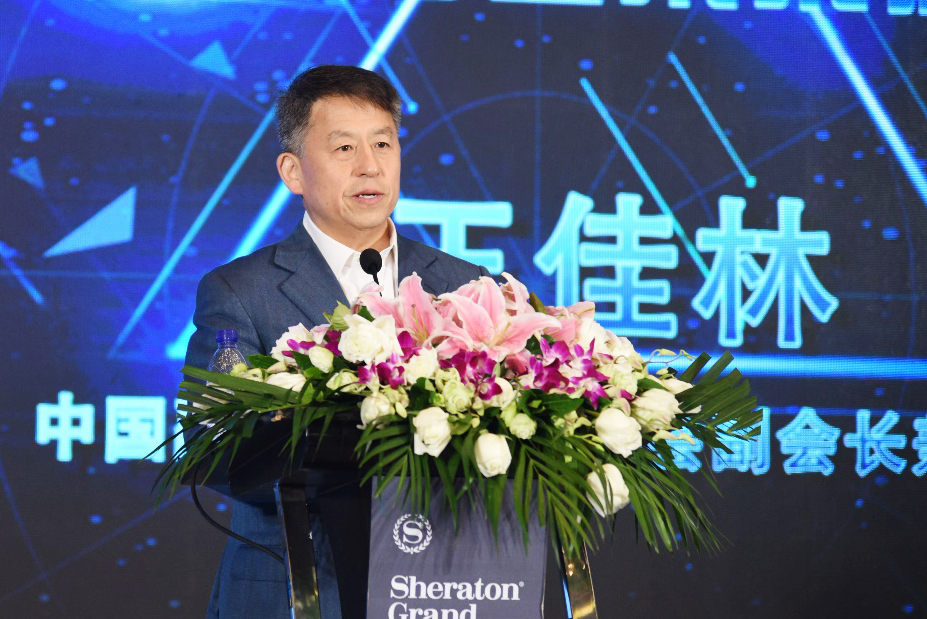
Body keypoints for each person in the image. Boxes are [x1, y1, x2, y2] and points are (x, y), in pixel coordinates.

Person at [184, 65, 489, 619]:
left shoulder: (466, 285)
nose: (370, 166)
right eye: (344, 147)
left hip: (442, 585)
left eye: (383, 144)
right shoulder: (240, 291)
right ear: (293, 171)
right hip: (294, 585)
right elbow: (214, 447)